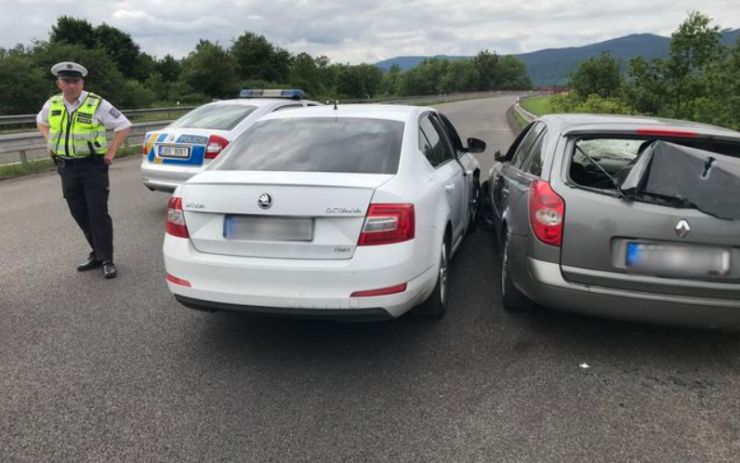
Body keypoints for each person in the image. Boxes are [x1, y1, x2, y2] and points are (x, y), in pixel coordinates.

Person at [36, 61, 132, 279]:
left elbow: (124, 125)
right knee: (79, 212)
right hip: (66, 167)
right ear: (59, 83)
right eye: (66, 81)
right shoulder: (52, 104)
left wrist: (111, 152)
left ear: (82, 82)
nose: (71, 85)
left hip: (92, 167)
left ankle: (107, 259)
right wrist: (48, 141)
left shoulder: (96, 103)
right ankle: (97, 254)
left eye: (75, 81)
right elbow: (40, 121)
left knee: (97, 213)